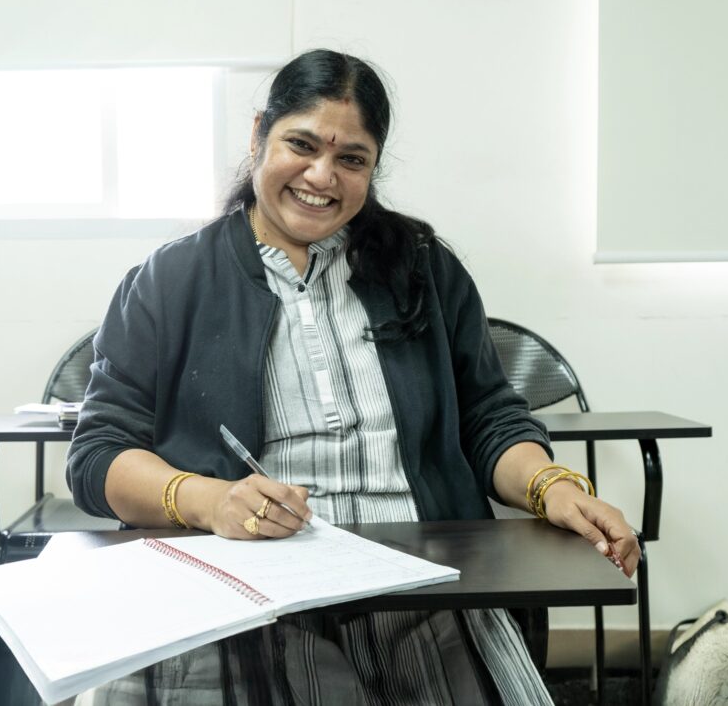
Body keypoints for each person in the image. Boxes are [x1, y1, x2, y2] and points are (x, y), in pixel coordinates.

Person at [67, 48, 641, 706]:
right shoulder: (168, 282)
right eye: (301, 144)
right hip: (249, 585)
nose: (321, 176)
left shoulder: (423, 269)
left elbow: (488, 417)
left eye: (351, 159)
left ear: (372, 167)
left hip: (424, 584)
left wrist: (550, 485)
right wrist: (209, 500)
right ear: (258, 136)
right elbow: (99, 456)